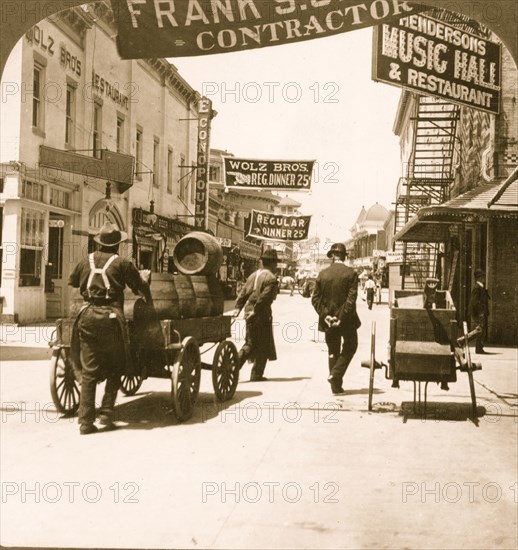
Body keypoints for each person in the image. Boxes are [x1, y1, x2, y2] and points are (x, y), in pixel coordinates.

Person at [69, 221, 152, 435]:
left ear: (99, 243)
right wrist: (144, 282)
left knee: (89, 370)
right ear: (117, 244)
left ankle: (86, 422)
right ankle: (106, 413)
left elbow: (73, 282)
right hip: (111, 318)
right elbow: (139, 287)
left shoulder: (85, 260)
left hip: (86, 316)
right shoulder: (123, 263)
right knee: (116, 366)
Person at [311, 243, 361, 395]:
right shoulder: (351, 274)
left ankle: (336, 387)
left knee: (333, 351)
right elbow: (351, 300)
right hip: (347, 321)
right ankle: (336, 375)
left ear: (332, 256)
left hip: (328, 321)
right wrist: (341, 318)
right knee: (351, 346)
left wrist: (326, 316)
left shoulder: (322, 274)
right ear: (344, 256)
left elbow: (315, 299)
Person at [233, 249, 279, 381]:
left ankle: (233, 367)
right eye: (275, 263)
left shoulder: (253, 275)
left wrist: (238, 308)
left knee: (251, 342)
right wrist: (256, 311)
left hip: (249, 309)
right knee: (263, 343)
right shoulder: (271, 278)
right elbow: (265, 298)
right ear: (272, 263)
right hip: (261, 312)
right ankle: (255, 374)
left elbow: (243, 293)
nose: (276, 266)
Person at [470, 268, 490, 354]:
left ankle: (480, 347)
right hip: (479, 313)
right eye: (482, 277)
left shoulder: (480, 288)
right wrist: (480, 312)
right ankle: (478, 348)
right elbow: (475, 302)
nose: (484, 278)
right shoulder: (477, 288)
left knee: (481, 330)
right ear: (478, 278)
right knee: (479, 330)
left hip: (481, 313)